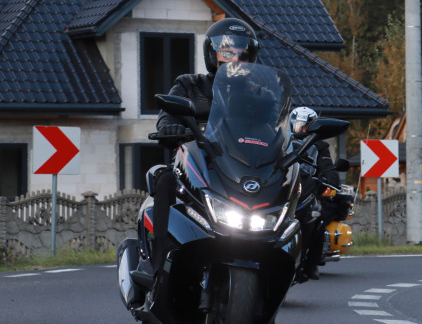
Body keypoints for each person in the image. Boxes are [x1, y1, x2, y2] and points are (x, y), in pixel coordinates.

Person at [141, 18, 260, 281]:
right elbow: (168, 114)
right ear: (212, 54)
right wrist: (170, 127)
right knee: (164, 180)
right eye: (227, 52)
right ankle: (156, 264)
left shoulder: (260, 94)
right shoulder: (189, 85)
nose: (235, 58)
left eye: (243, 53)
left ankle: (279, 261)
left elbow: (275, 127)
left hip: (241, 168)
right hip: (196, 163)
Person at [289, 106, 341, 281]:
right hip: (284, 188)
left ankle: (311, 265)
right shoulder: (281, 142)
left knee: (317, 219)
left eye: (304, 126)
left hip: (307, 189)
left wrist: (329, 179)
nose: (300, 129)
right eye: (297, 125)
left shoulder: (320, 145)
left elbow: (328, 167)